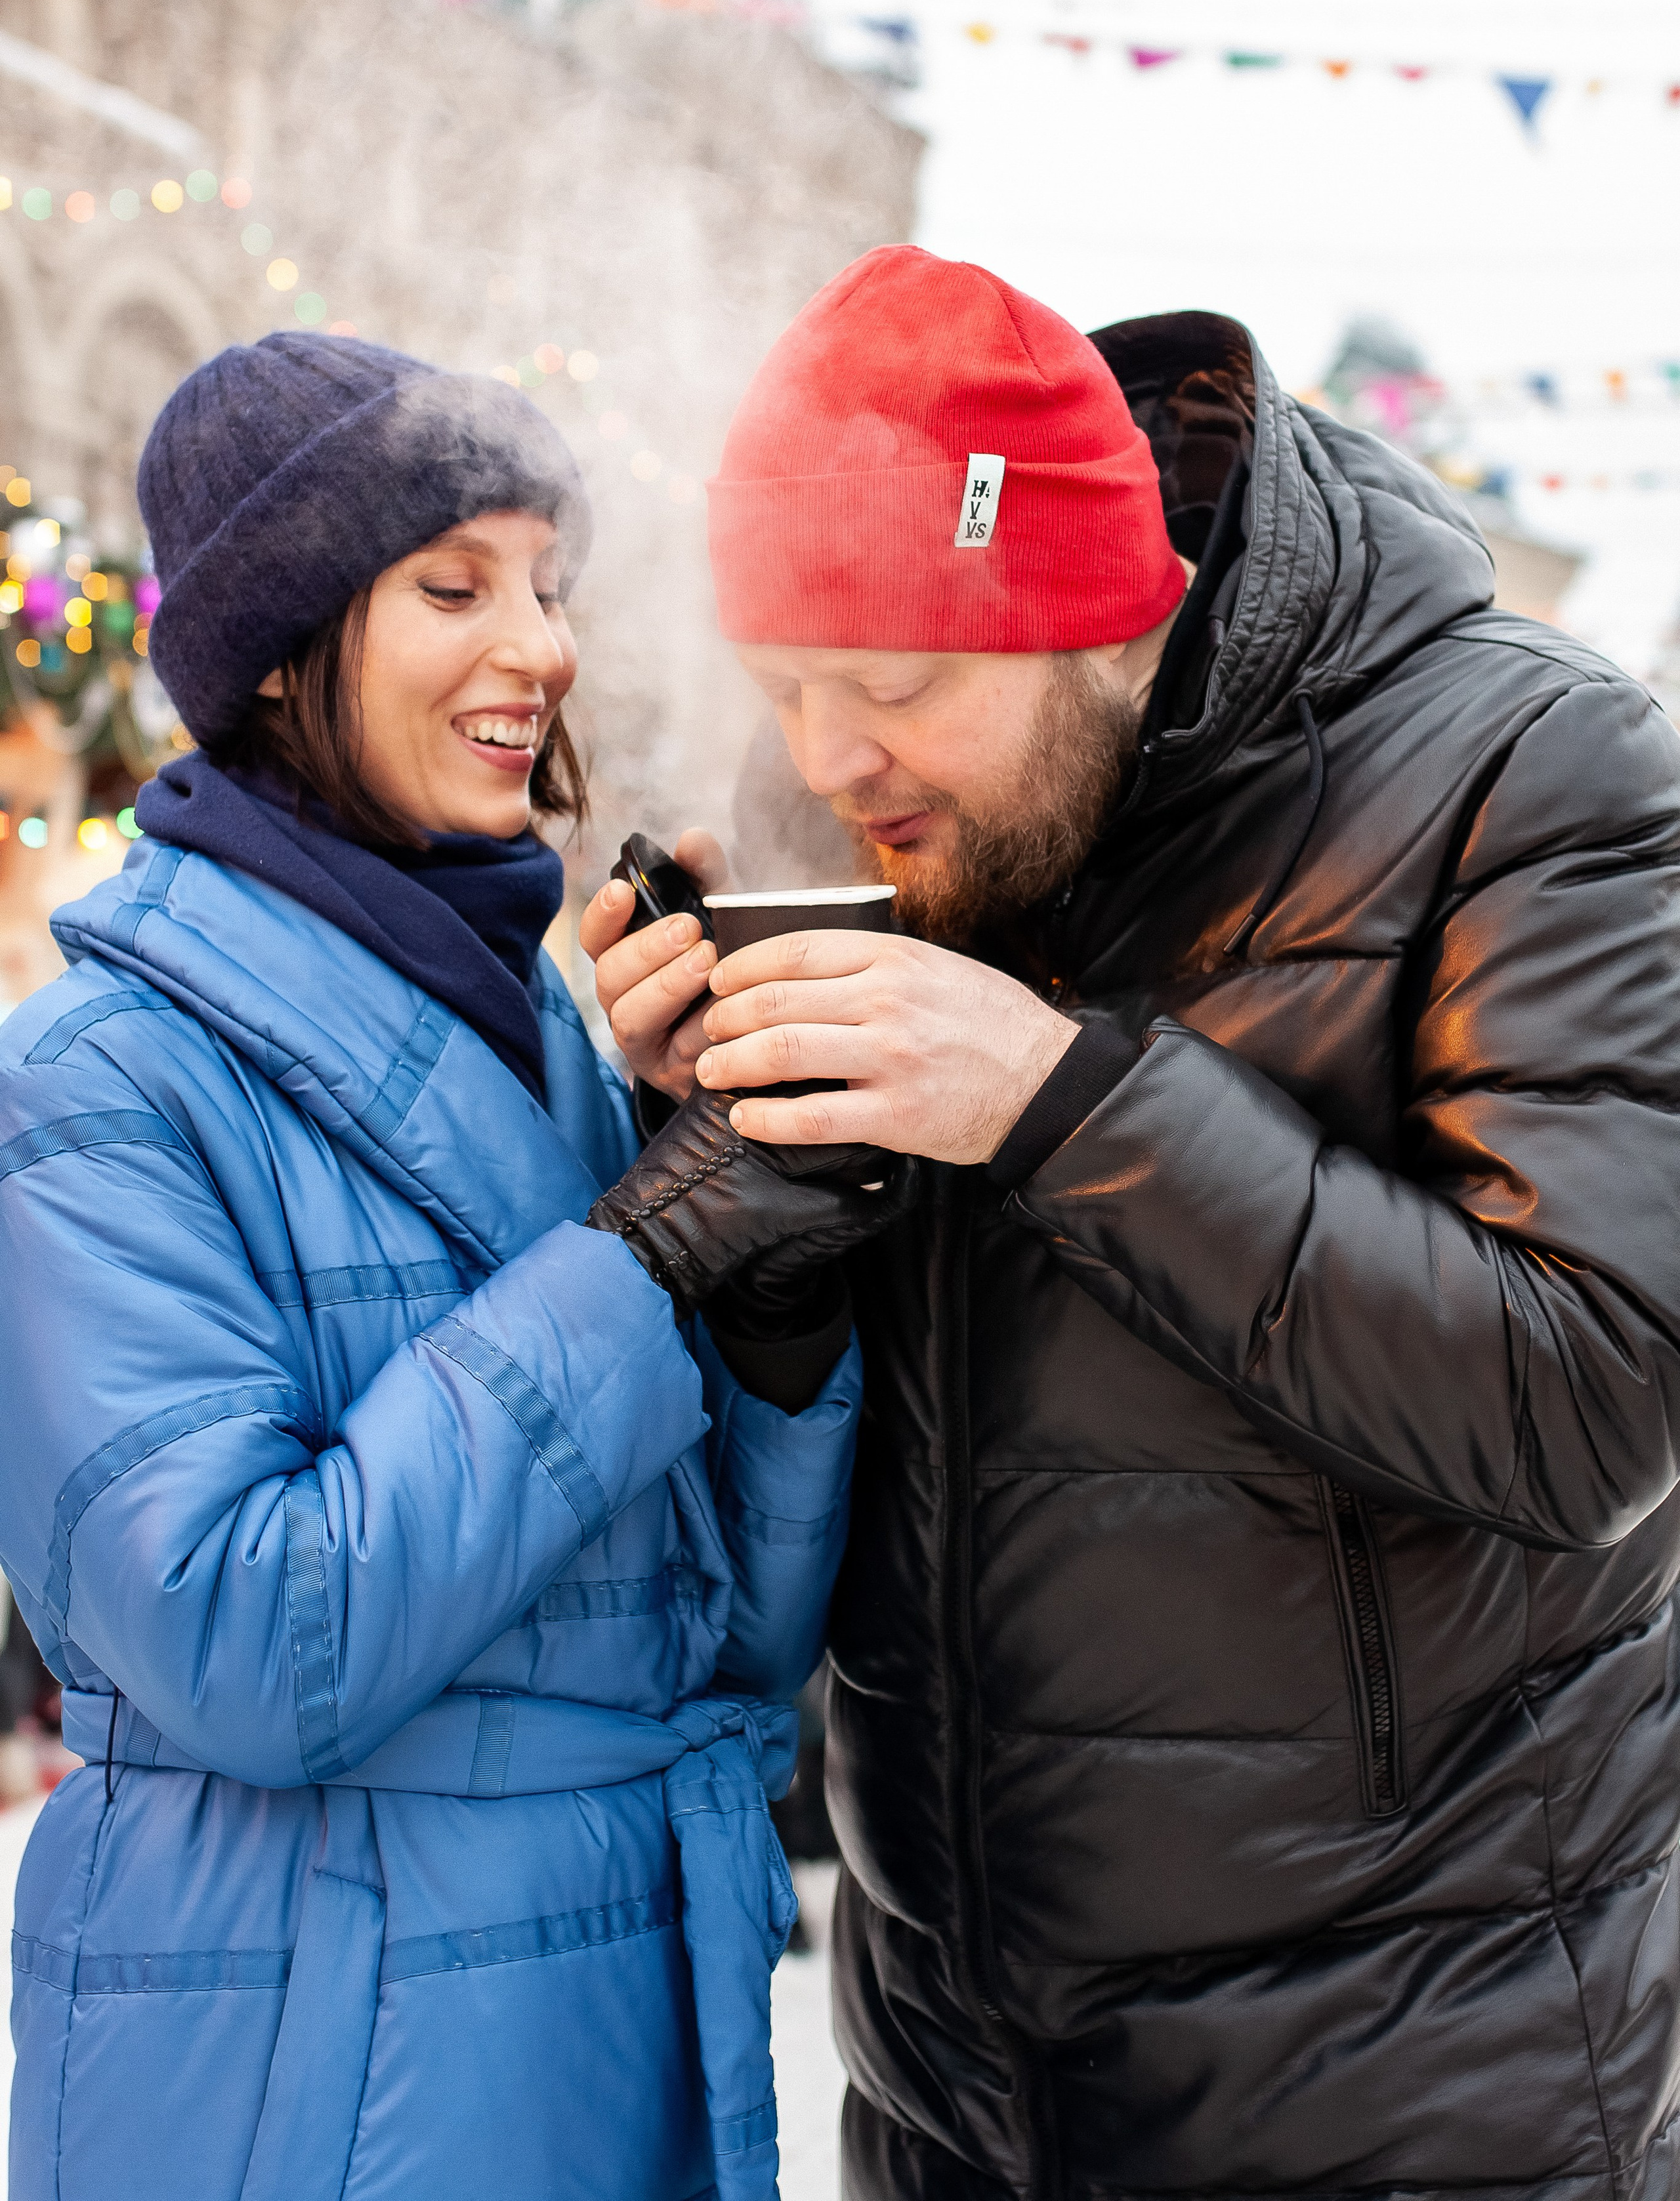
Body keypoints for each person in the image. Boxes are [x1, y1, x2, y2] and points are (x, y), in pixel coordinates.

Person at [585, 246, 1680, 2200]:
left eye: (896, 684)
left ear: (1098, 617)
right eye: (787, 687)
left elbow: (1589, 1405)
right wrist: (737, 1153)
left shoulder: (1538, 770)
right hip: (952, 2091)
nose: (830, 756)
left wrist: (1055, 1098)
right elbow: (866, 1434)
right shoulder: (872, 823)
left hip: (1410, 2096)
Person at [0, 331, 912, 2201]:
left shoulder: (552, 1038)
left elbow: (719, 1648)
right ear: (277, 650)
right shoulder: (94, 1085)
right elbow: (253, 1641)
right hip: (317, 2079)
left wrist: (770, 1307)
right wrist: (644, 1261)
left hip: (614, 2037)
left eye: (552, 588)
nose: (545, 649)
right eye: (456, 585)